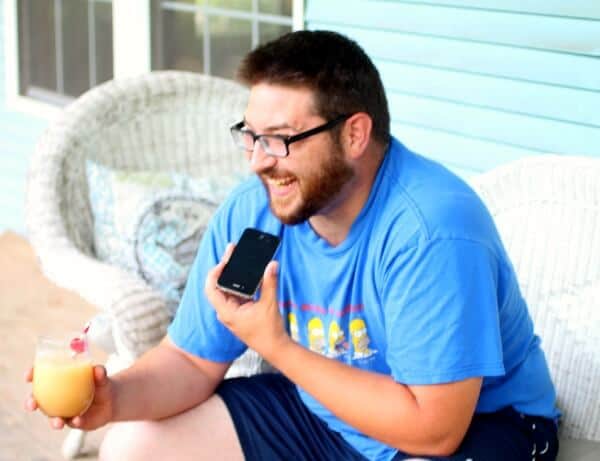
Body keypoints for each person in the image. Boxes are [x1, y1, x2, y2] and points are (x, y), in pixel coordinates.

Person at [26, 30, 560, 461]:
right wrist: (112, 400)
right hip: (326, 408)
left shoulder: (429, 232)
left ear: (353, 135)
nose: (258, 160)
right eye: (250, 136)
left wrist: (279, 347)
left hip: (478, 426)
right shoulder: (258, 215)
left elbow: (434, 430)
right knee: (135, 443)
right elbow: (191, 361)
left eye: (280, 138)